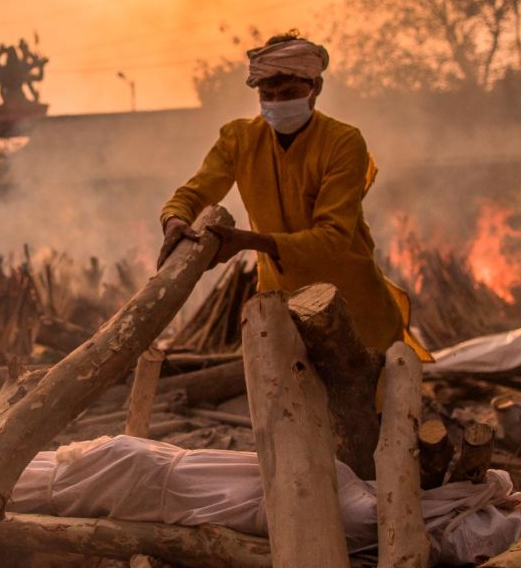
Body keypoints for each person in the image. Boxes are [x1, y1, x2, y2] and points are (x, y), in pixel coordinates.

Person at [158, 32, 425, 356]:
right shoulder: (239, 139)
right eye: (267, 95)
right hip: (282, 309)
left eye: (288, 93)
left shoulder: (343, 142)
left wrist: (249, 242)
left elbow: (333, 238)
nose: (277, 103)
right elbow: (196, 191)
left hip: (354, 310)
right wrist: (174, 219)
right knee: (286, 401)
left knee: (369, 402)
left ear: (316, 88)